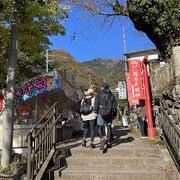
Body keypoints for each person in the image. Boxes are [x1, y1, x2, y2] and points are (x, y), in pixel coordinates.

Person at [94, 82, 117, 151]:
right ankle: (109, 141)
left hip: (101, 112)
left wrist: (95, 111)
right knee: (109, 127)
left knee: (100, 127)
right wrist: (114, 114)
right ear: (108, 87)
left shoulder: (99, 94)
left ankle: (102, 138)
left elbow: (96, 103)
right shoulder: (112, 95)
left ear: (102, 87)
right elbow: (115, 105)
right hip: (109, 113)